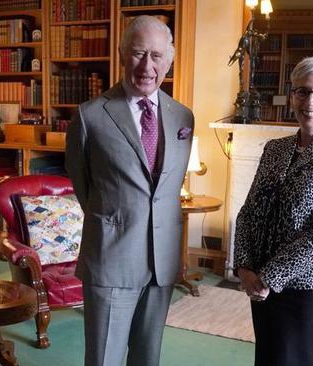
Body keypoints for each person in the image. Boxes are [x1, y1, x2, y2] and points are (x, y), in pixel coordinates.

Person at [65, 15, 194, 366]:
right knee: (104, 359)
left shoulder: (184, 117)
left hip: (162, 261)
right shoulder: (90, 115)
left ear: (170, 58)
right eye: (138, 53)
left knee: (147, 358)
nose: (147, 66)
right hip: (111, 258)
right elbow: (82, 182)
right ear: (123, 54)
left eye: (156, 55)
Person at [233, 56, 313, 366]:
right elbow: (249, 212)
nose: (310, 102)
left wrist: (269, 277)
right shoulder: (274, 149)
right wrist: (244, 267)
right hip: (261, 283)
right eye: (302, 92)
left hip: (307, 289)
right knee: (268, 359)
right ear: (292, 96)